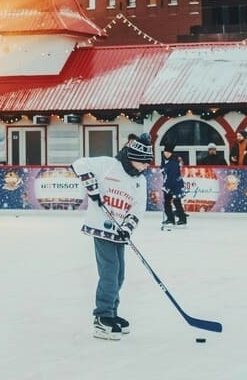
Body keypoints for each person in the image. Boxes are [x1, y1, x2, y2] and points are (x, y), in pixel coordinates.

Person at [72, 132, 153, 340]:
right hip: (101, 227)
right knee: (109, 272)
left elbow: (138, 208)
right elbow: (79, 164)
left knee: (119, 274)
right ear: (132, 157)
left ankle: (112, 313)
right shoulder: (108, 165)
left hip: (119, 231)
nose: (145, 167)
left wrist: (128, 227)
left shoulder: (140, 181)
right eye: (143, 162)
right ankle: (102, 315)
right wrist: (92, 187)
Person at [159, 143, 187, 227]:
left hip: (175, 184)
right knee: (167, 202)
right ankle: (170, 219)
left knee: (176, 201)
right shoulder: (164, 160)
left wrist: (167, 187)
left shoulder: (174, 162)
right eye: (165, 152)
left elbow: (172, 176)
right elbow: (163, 170)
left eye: (168, 152)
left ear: (171, 153)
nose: (166, 154)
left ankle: (182, 219)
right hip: (168, 183)